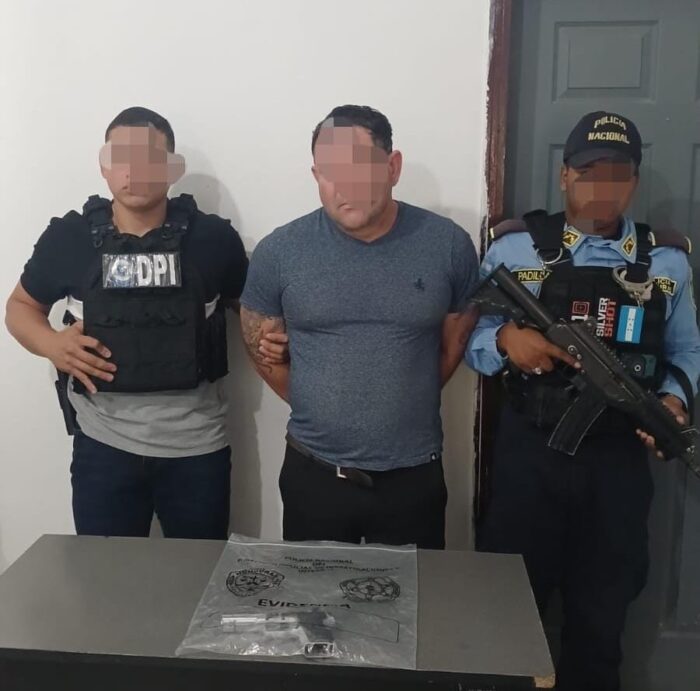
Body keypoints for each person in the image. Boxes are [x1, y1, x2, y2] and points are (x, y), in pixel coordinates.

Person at [466, 110, 700, 691]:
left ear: (633, 183)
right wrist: (506, 339)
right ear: (565, 175)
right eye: (590, 173)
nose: (603, 188)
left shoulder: (666, 261)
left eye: (618, 175)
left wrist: (672, 404)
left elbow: (687, 350)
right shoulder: (516, 249)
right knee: (506, 620)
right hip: (531, 456)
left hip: (617, 464)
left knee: (601, 625)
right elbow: (469, 338)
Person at [5, 106, 286, 540]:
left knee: (198, 575)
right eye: (121, 157)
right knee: (107, 575)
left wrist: (271, 337)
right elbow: (20, 307)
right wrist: (52, 345)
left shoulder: (213, 239)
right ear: (103, 166)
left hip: (198, 448)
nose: (134, 171)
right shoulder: (70, 238)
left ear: (173, 168)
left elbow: (250, 305)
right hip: (103, 447)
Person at [239, 104, 479, 549]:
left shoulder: (447, 245)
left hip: (414, 476)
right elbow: (259, 346)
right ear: (316, 176)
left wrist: (396, 397)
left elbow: (451, 348)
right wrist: (322, 404)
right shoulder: (280, 252)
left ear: (392, 167)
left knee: (415, 591)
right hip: (315, 474)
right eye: (329, 172)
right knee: (313, 593)